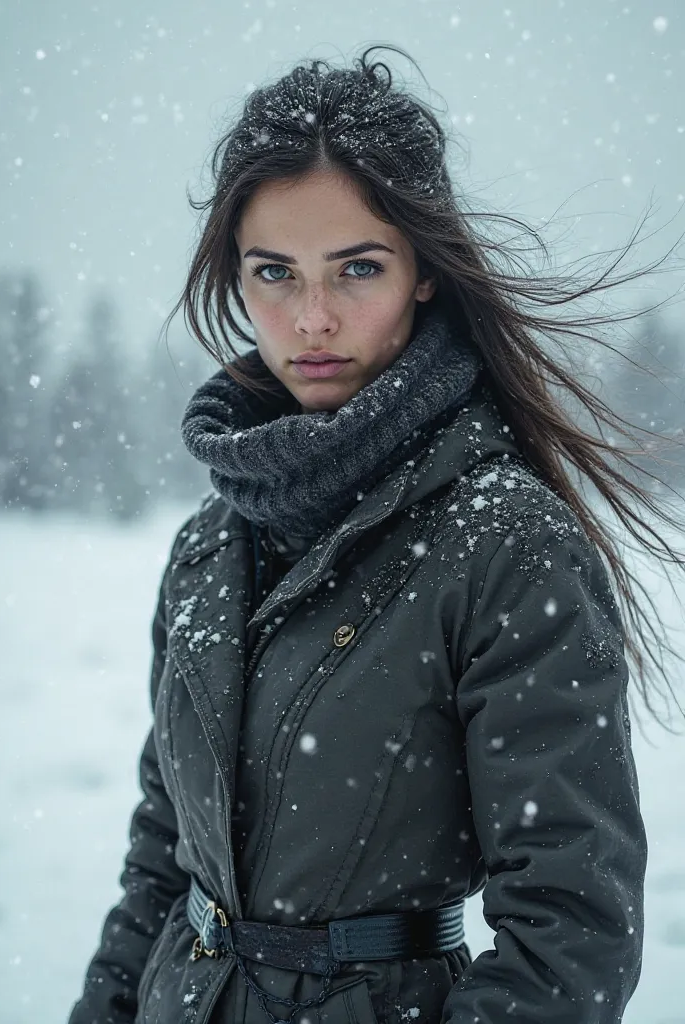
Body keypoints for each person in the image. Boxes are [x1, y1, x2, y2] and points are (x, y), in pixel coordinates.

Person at [69, 44, 685, 1024]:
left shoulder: (508, 547)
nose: (311, 317)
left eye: (356, 268)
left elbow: (570, 927)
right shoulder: (206, 546)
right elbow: (162, 857)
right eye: (274, 272)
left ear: (424, 274)